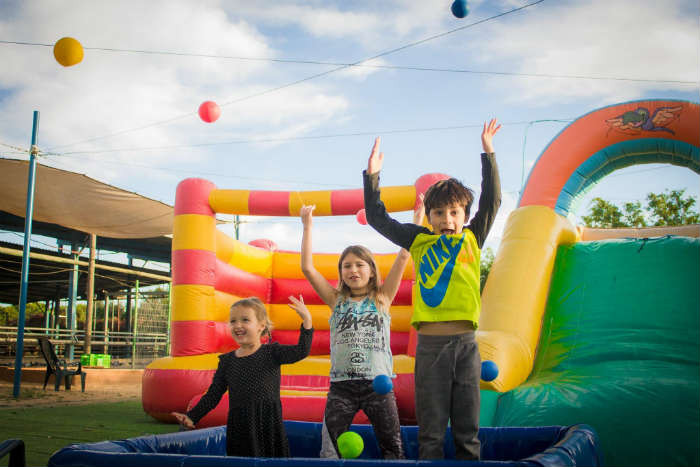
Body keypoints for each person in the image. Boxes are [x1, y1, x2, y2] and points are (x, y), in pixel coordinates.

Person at [362, 119, 502, 460]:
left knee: (468, 434)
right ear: (430, 215)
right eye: (439, 213)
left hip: (466, 346)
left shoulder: (473, 237)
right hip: (430, 347)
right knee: (431, 434)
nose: (447, 220)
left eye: (454, 212)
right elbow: (378, 218)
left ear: (464, 214)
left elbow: (493, 201)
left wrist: (489, 154)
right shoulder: (419, 240)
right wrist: (372, 178)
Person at [299, 204, 422, 459]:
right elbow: (308, 269)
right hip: (341, 385)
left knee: (393, 444)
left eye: (359, 265)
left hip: (378, 384)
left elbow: (403, 257)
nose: (353, 270)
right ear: (341, 273)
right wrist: (307, 226)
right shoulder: (336, 300)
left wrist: (416, 220)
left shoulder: (382, 298)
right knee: (330, 448)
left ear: (371, 270)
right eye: (346, 266)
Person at [171, 296, 313, 458]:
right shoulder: (227, 361)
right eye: (233, 321)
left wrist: (307, 320)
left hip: (267, 423)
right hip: (240, 426)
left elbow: (302, 350)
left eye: (245, 320)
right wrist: (192, 416)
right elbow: (213, 395)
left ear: (261, 326)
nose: (238, 325)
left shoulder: (272, 353)